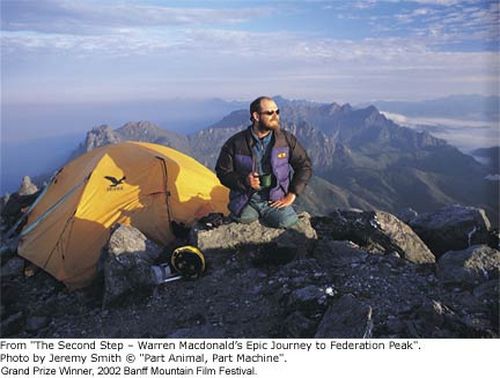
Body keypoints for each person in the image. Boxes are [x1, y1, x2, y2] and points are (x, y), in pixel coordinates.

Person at [215, 96, 312, 228]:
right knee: (244, 218)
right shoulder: (235, 143)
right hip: (247, 198)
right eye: (270, 113)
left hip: (276, 199)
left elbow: (304, 165)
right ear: (256, 116)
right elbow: (223, 172)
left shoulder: (286, 140)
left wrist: (292, 194)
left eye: (277, 112)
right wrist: (245, 181)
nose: (275, 116)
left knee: (287, 222)